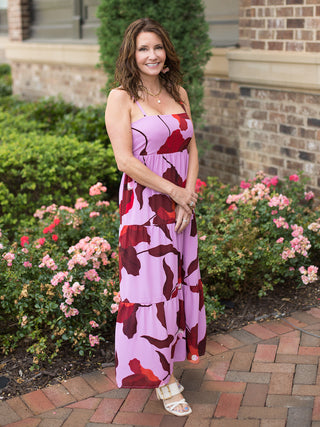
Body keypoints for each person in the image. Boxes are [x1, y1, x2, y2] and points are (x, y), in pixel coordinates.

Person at [105, 17, 206, 417]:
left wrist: (187, 197)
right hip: (145, 209)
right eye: (143, 48)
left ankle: (172, 358)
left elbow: (192, 147)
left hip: (182, 207)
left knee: (177, 284)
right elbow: (125, 160)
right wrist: (174, 192)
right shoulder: (121, 98)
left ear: (166, 54)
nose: (151, 55)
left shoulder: (178, 91)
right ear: (132, 54)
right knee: (150, 291)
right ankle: (161, 378)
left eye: (157, 48)